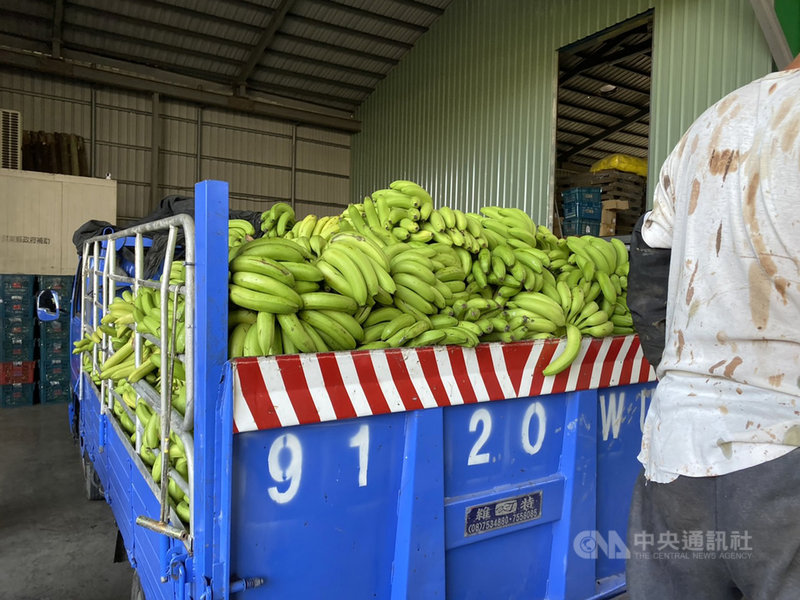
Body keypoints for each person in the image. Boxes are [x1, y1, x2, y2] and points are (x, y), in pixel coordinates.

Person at [625, 51, 800, 600]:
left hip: (676, 445)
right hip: (786, 449)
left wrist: (686, 376)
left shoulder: (712, 119)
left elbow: (649, 267)